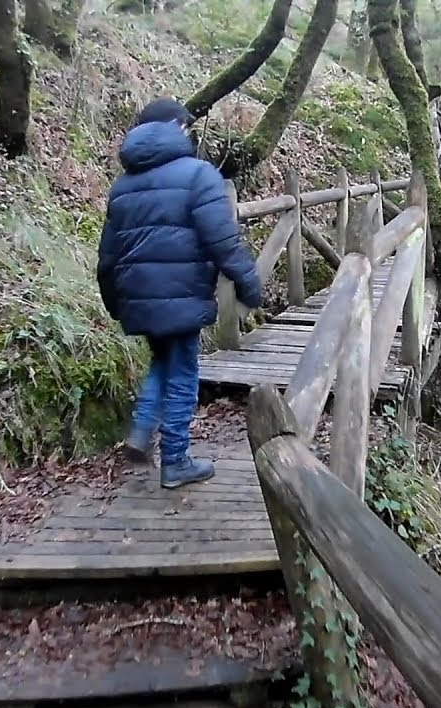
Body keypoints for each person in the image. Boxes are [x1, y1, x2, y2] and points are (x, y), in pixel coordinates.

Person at [97, 97, 262, 489]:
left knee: (163, 361)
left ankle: (141, 429)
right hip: (183, 293)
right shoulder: (198, 175)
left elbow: (107, 256)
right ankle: (175, 460)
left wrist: (114, 302)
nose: (189, 132)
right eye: (186, 126)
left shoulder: (123, 187)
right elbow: (222, 241)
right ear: (175, 127)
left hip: (139, 296)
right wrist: (249, 282)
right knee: (184, 371)